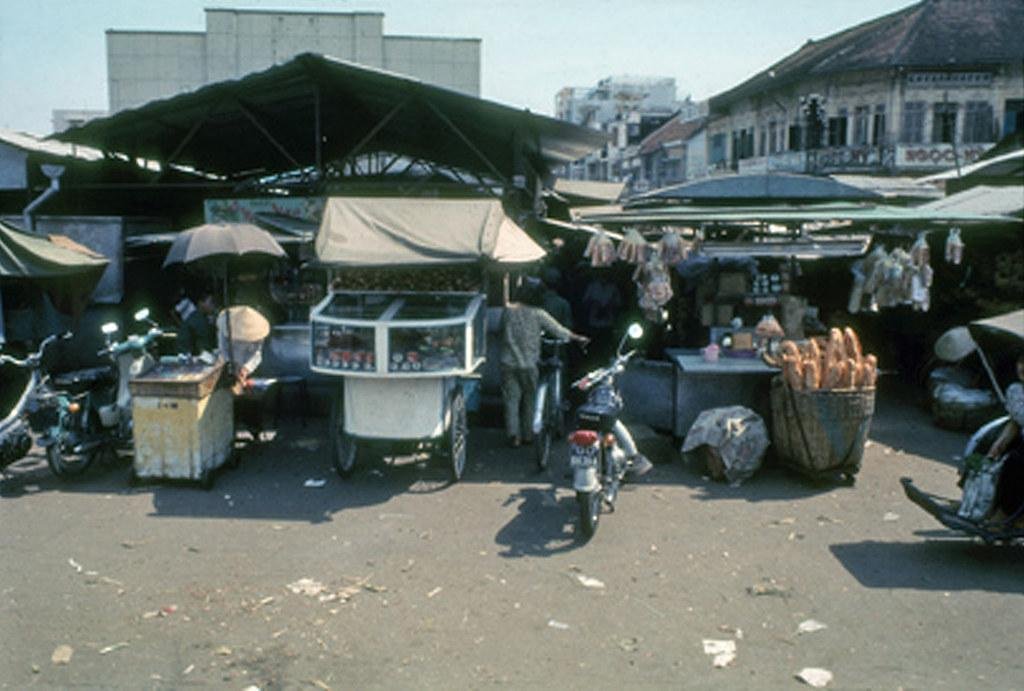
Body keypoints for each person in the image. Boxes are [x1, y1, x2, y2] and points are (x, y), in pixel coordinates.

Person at [500, 280, 588, 448]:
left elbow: (500, 330)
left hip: (508, 362)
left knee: (511, 399)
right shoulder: (538, 313)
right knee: (530, 399)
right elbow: (558, 330)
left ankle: (513, 435)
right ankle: (527, 435)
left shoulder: (508, 311)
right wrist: (578, 338)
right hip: (529, 363)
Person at [984, 351, 1024, 522]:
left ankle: (1008, 514)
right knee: (1007, 461)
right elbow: (1017, 419)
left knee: (1015, 462)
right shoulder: (1017, 390)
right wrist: (1000, 443)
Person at [175, 290, 217, 355]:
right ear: (201, 303)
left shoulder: (197, 317)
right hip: (190, 357)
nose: (213, 306)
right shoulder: (199, 321)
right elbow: (203, 347)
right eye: (211, 302)